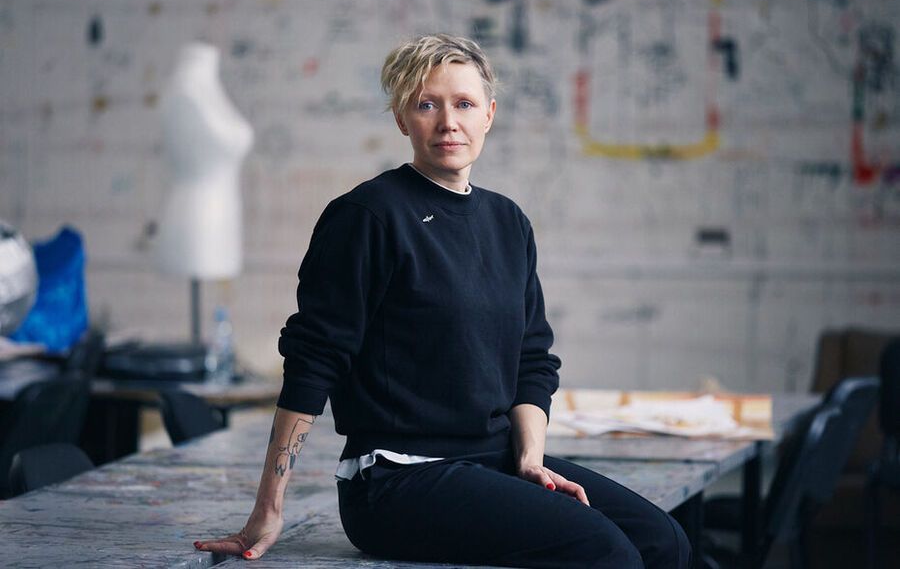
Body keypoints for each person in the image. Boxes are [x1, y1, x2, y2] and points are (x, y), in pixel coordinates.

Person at [194, 34, 690, 568]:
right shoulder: (367, 216)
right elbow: (314, 361)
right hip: (395, 481)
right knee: (606, 552)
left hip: (494, 461)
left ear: (489, 115)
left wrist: (530, 460)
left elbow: (532, 359)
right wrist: (268, 509)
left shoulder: (508, 222)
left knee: (664, 541)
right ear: (402, 119)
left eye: (465, 104)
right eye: (426, 105)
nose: (448, 122)